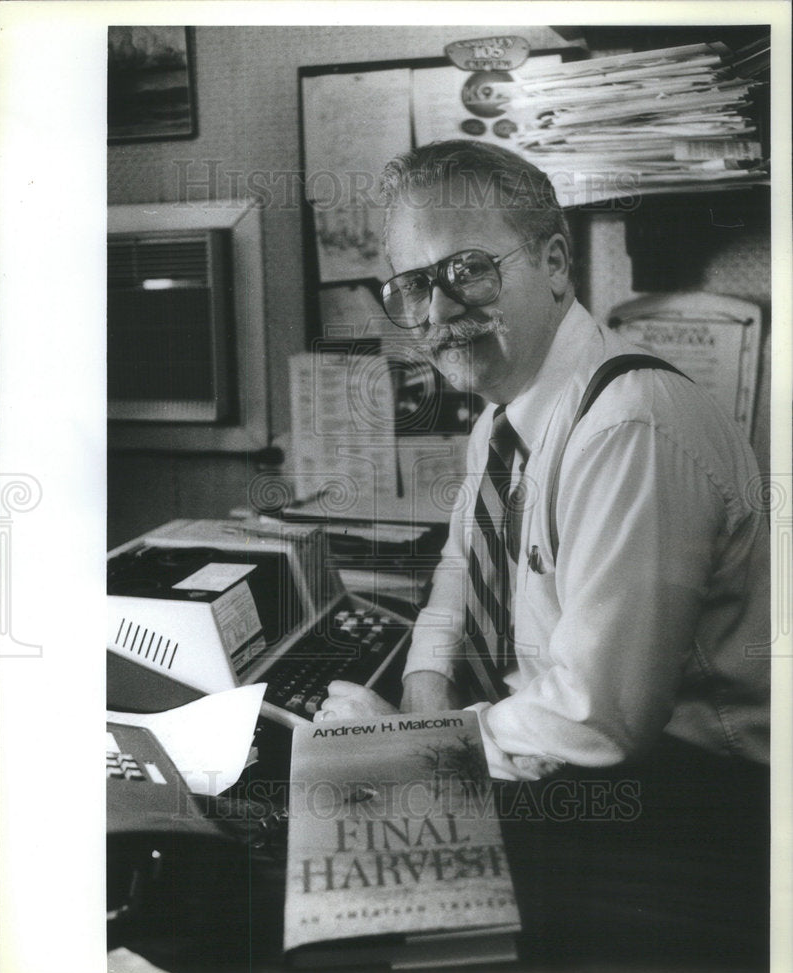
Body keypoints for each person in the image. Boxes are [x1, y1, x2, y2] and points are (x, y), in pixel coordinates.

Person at [318, 139, 770, 784]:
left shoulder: (627, 427)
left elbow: (598, 717)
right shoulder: (506, 410)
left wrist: (411, 747)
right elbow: (461, 567)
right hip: (560, 751)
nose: (439, 311)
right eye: (415, 286)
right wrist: (425, 684)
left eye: (468, 271)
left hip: (699, 795)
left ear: (554, 263)